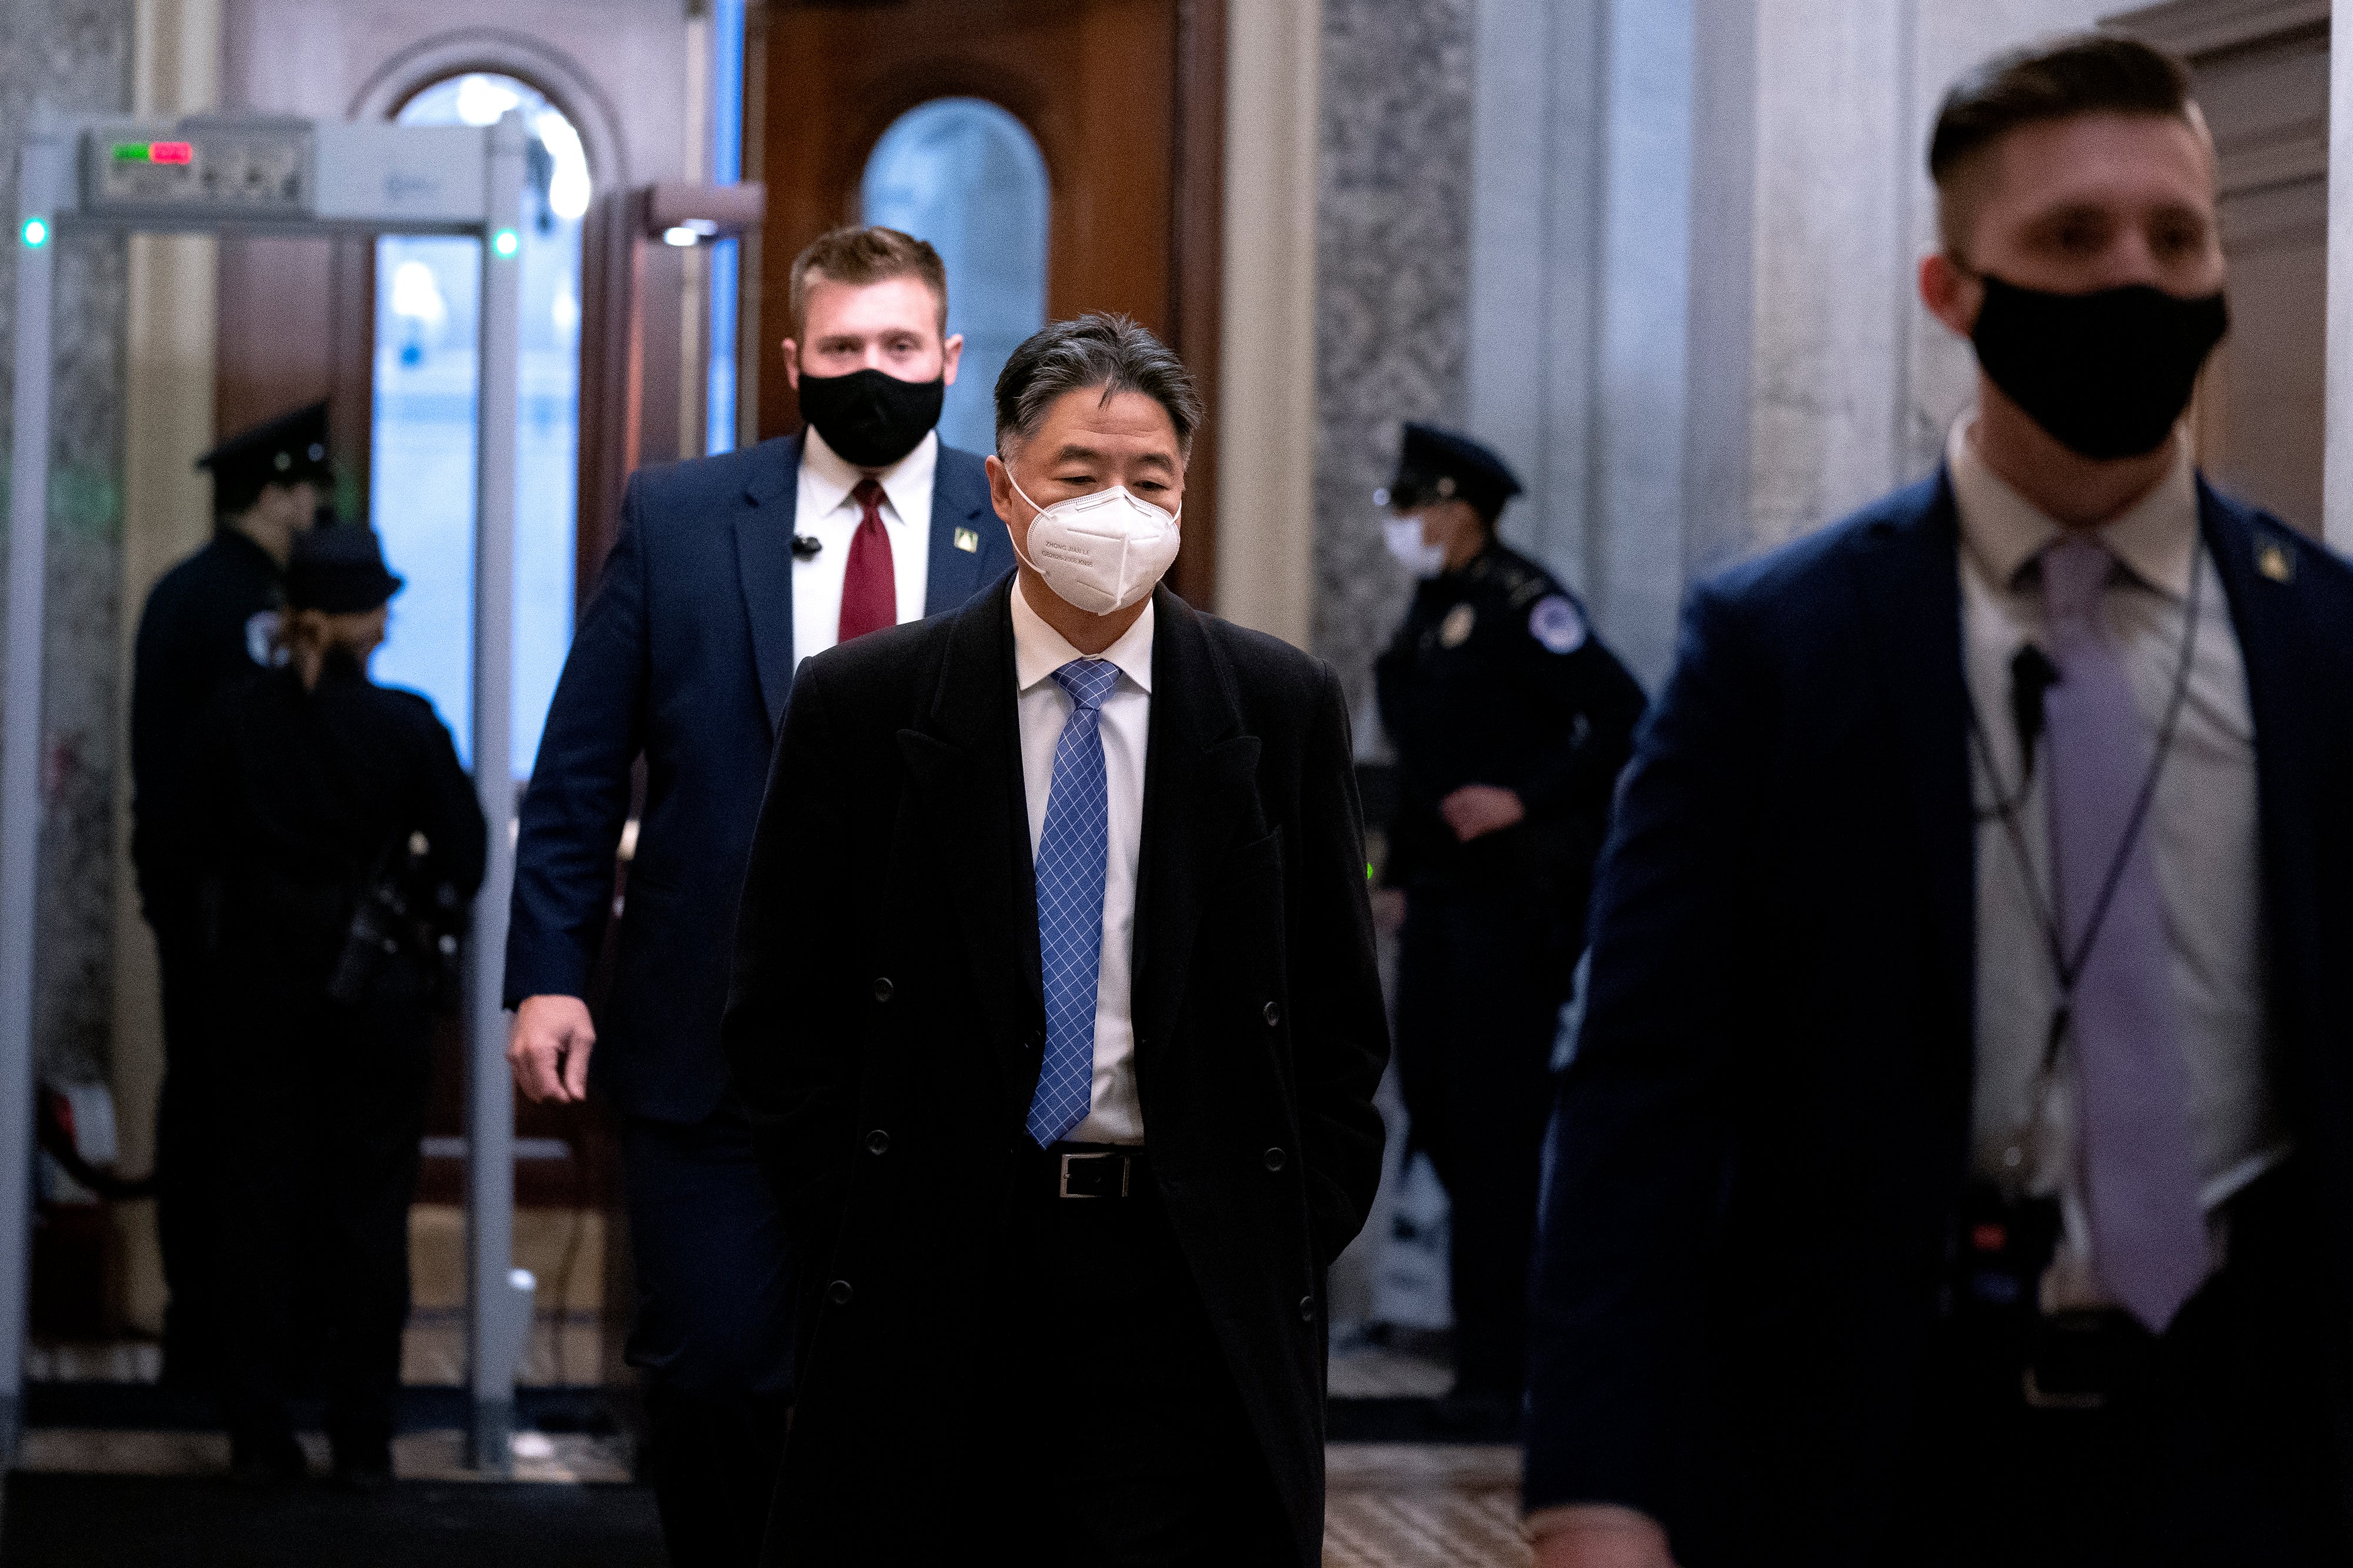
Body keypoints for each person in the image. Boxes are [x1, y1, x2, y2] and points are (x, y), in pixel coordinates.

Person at [1523, 35, 2353, 1568]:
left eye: (2177, 238)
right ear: (1951, 290)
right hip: (1879, 1456)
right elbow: (1639, 1087)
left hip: (2262, 1452)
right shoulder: (1779, 647)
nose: (2135, 281)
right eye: (2070, 239)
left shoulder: (2326, 642)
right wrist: (1596, 1489)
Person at [722, 313, 1391, 1565]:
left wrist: (1287, 1219)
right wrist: (851, 1211)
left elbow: (1336, 1018)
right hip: (947, 1250)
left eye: (1150, 480)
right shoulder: (864, 707)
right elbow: (780, 1011)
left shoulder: (1275, 705)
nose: (1117, 509)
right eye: (1080, 476)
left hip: (1185, 1264)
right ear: (1003, 485)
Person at [502, 225, 1015, 1564]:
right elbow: (575, 771)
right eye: (842, 347)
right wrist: (549, 970)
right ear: (791, 358)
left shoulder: (1010, 524)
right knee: (715, 1374)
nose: (871, 371)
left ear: (949, 358)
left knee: (921, 1396)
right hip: (708, 1042)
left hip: (944, 1058)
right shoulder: (676, 517)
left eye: (899, 346)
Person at [189, 525, 485, 1486]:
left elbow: (190, 850)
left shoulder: (233, 719)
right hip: (376, 1004)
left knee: (257, 1216)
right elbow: (467, 855)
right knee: (367, 1220)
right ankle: (364, 1435)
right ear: (369, 621)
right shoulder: (406, 724)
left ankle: (258, 1432)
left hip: (255, 997)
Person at [1371, 423, 1645, 1424]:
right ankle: (1478, 1342)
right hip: (1443, 899)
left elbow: (1624, 716)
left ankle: (1501, 1364)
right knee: (1436, 1103)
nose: (1401, 526)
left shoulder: (1530, 605)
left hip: (1512, 903)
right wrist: (1398, 873)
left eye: (1414, 508)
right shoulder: (1431, 607)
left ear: (1461, 512)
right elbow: (1424, 755)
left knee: (1494, 1127)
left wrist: (1524, 799)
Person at [129, 401, 330, 1385]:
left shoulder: (181, 592)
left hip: (191, 893)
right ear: (276, 493)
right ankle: (231, 1326)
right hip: (240, 905)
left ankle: (198, 1314)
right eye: (308, 490)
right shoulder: (258, 606)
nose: (317, 507)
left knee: (197, 1098)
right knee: (240, 1110)